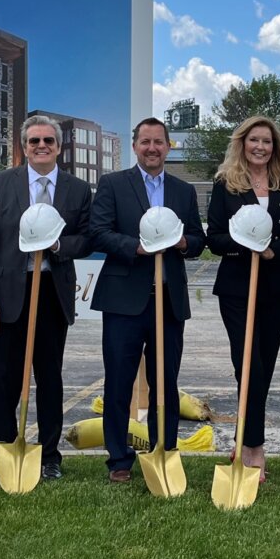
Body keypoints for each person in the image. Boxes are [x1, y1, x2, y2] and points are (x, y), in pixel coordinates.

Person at [0, 114, 93, 484]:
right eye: (34, 141)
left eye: (48, 141)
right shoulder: (1, 184)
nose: (41, 146)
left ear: (59, 147)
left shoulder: (76, 189)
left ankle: (49, 455)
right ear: (23, 147)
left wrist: (59, 245)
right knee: (4, 379)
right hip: (9, 295)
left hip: (52, 295)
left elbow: (88, 238)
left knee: (50, 378)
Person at [89, 117, 204, 483]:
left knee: (165, 382)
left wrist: (184, 242)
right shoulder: (112, 185)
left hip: (168, 301)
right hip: (124, 300)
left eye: (159, 142)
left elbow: (198, 240)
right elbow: (99, 233)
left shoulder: (184, 192)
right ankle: (119, 461)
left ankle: (163, 450)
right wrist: (135, 247)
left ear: (168, 147)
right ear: (135, 146)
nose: (152, 148)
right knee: (118, 382)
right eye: (145, 142)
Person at [205, 114, 280, 480]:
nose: (260, 147)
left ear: (274, 147)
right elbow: (214, 237)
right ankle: (254, 448)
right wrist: (245, 245)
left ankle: (244, 440)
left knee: (265, 364)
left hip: (277, 286)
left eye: (267, 141)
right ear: (242, 144)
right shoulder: (225, 185)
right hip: (235, 286)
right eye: (254, 141)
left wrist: (271, 252)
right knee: (248, 365)